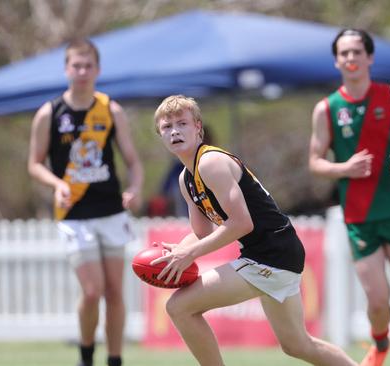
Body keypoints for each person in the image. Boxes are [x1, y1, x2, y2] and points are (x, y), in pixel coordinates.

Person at [150, 95, 358, 366]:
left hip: (270, 256)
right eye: (167, 127)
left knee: (178, 307)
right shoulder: (186, 178)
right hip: (279, 252)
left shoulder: (210, 163)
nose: (175, 131)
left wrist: (190, 255)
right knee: (298, 345)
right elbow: (201, 233)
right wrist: (180, 249)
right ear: (160, 135)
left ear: (198, 128)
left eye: (182, 123)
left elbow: (241, 224)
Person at [308, 29, 390, 366]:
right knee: (378, 301)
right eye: (344, 53)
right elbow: (315, 161)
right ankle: (379, 344)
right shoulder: (327, 108)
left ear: (370, 58)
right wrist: (344, 167)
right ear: (336, 61)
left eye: (357, 52)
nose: (351, 58)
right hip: (360, 215)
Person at [27, 38, 144, 366]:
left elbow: (133, 161)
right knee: (92, 291)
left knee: (115, 292)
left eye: (87, 65)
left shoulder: (110, 109)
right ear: (66, 69)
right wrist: (56, 183)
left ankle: (116, 359)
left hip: (110, 210)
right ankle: (86, 354)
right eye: (75, 65)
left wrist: (134, 188)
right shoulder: (49, 113)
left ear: (98, 69)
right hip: (74, 212)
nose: (81, 71)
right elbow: (34, 163)